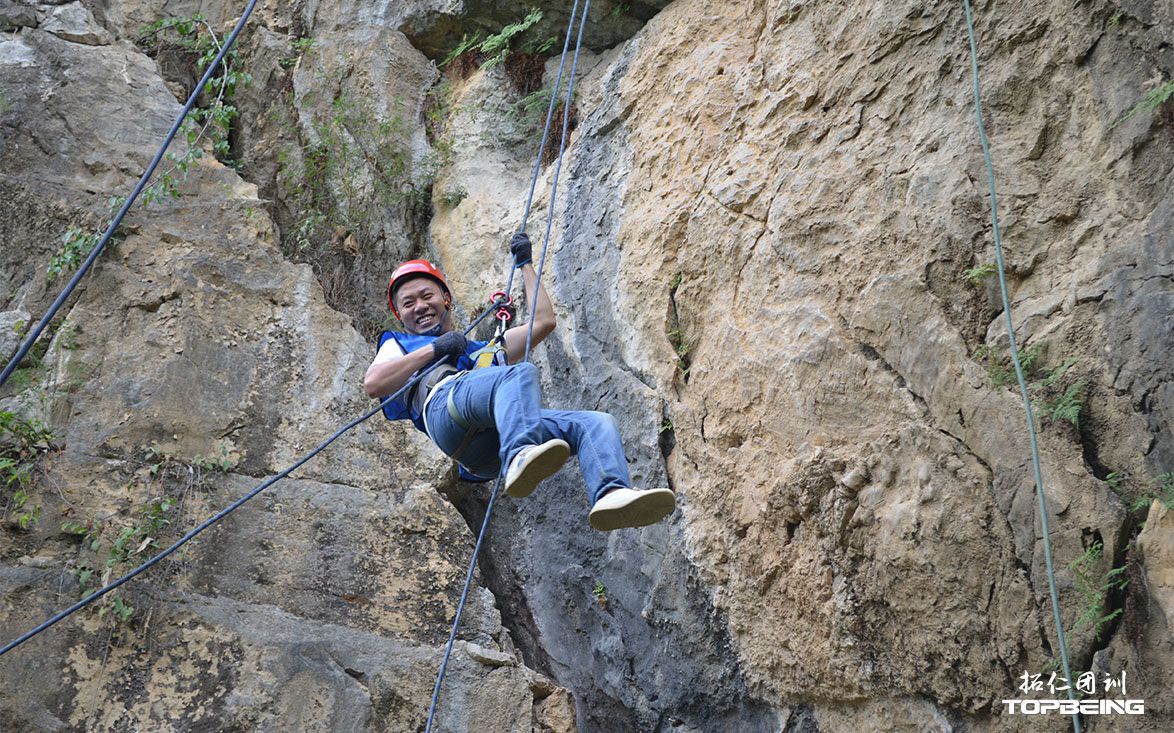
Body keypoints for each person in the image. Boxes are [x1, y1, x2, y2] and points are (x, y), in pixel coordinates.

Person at [363, 233, 676, 531]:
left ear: (445, 299)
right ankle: (520, 454)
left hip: (488, 450)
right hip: (445, 413)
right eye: (408, 303)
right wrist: (435, 349)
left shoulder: (480, 354)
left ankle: (611, 493)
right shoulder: (399, 343)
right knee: (516, 374)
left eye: (426, 295)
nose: (419, 306)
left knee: (594, 423)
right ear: (400, 316)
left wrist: (524, 264)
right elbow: (374, 383)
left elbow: (543, 323)